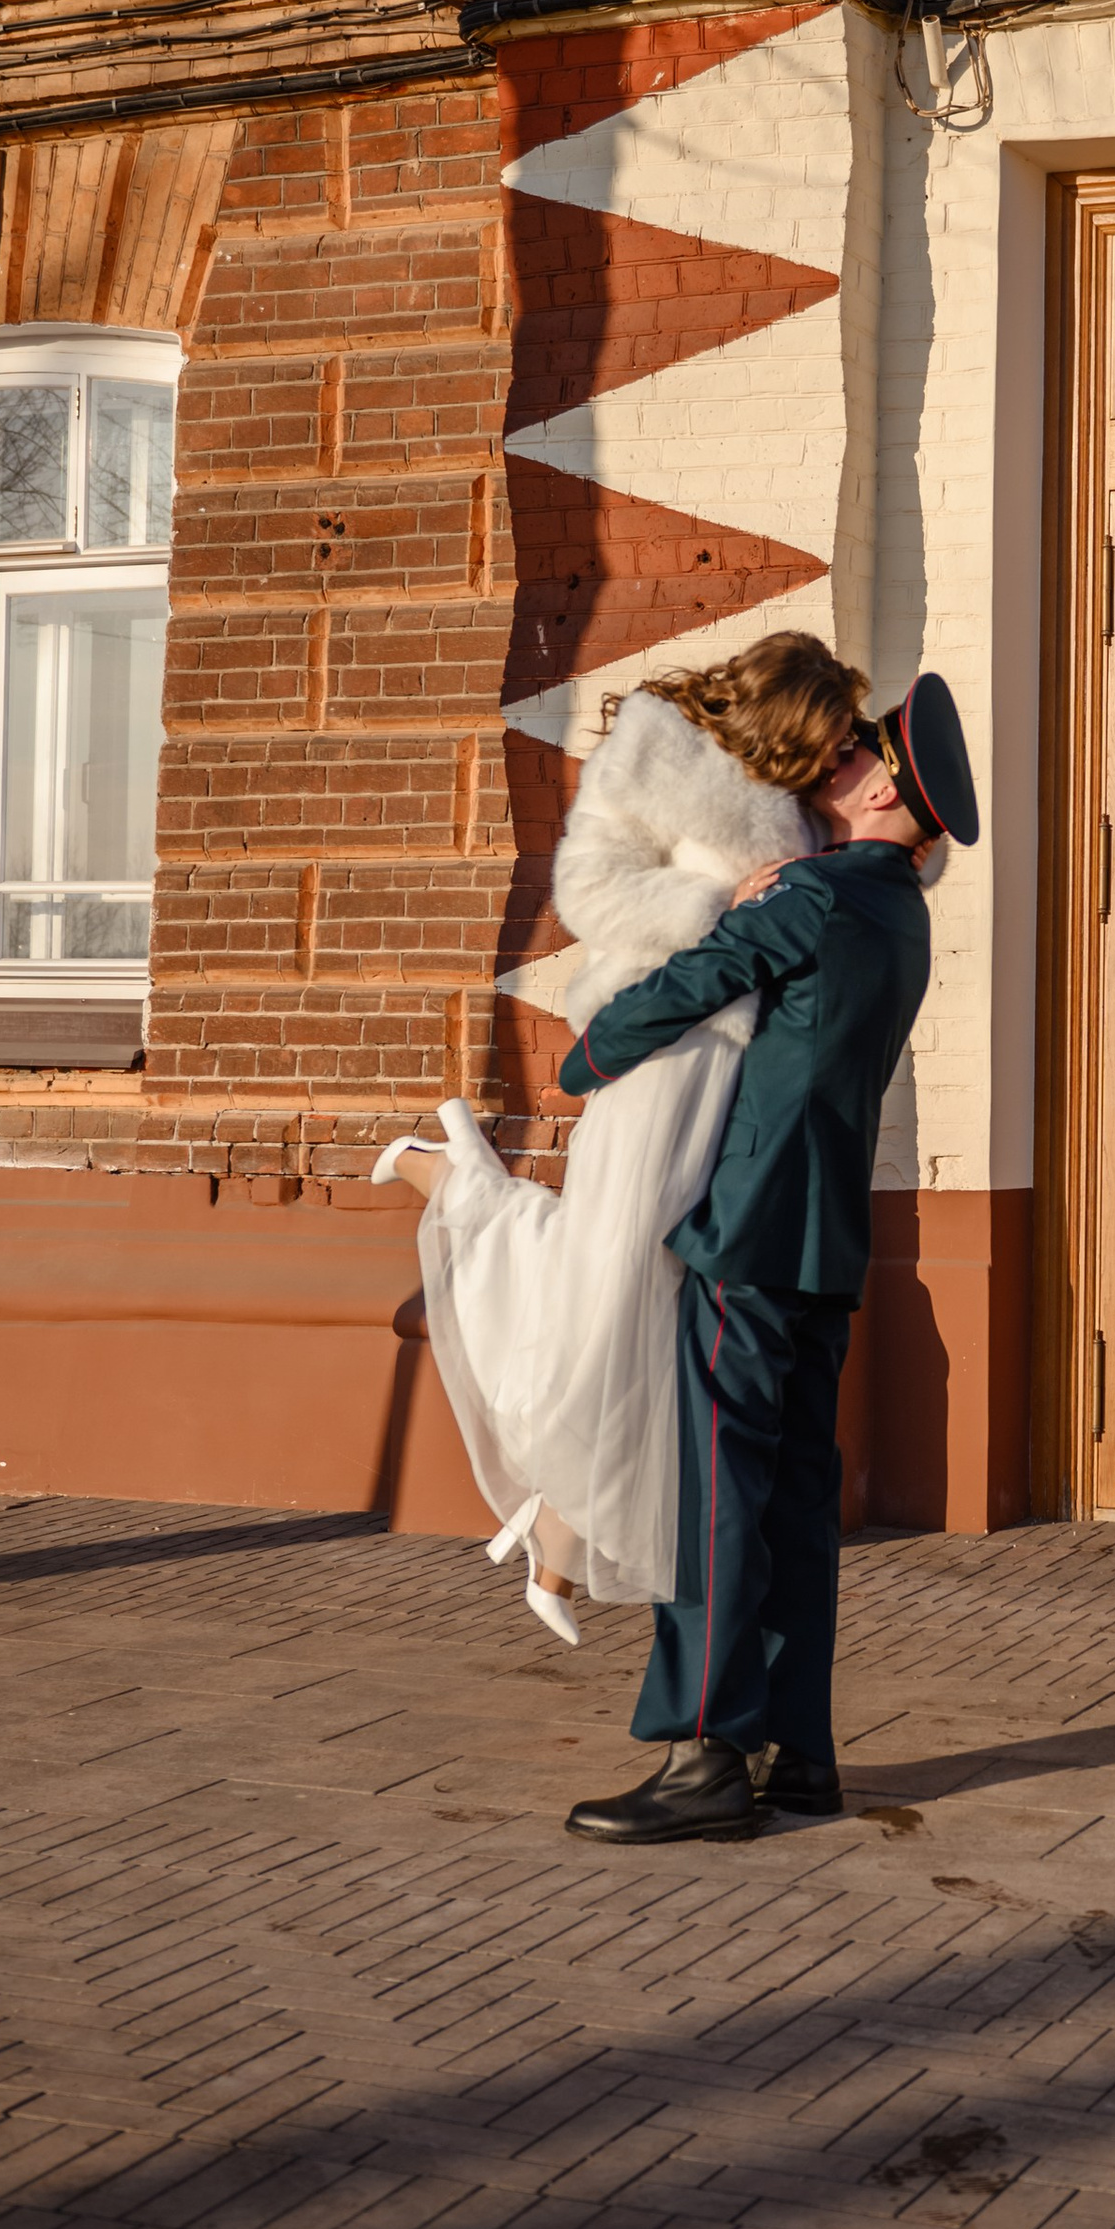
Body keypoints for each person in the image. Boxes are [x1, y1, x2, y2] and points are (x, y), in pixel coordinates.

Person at [371, 634, 866, 1638]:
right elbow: (588, 893)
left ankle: (556, 1532)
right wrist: (716, 904)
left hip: (745, 1071)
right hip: (660, 1055)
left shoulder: (809, 798)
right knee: (611, 1277)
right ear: (780, 714)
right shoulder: (655, 754)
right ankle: (452, 1181)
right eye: (824, 736)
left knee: (658, 1302)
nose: (834, 756)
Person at [559, 673, 982, 1846]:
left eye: (852, 752)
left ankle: (704, 1754)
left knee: (722, 1498)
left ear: (887, 783)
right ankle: (802, 1756)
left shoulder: (817, 892)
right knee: (793, 1500)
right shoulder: (900, 909)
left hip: (748, 1229)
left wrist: (586, 1056)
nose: (830, 762)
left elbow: (698, 979)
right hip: (828, 1240)